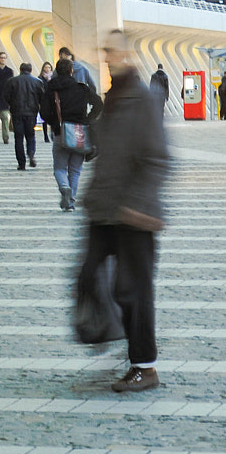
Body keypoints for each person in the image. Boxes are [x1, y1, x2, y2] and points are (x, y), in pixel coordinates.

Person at [77, 29, 170, 393]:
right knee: (87, 275)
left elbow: (158, 159)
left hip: (133, 213)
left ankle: (144, 367)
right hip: (103, 208)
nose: (107, 57)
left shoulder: (143, 100)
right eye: (105, 51)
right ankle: (107, 331)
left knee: (133, 291)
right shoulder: (112, 98)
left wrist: (138, 204)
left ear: (128, 55)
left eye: (112, 51)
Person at [44, 56, 101, 210]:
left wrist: (55, 123)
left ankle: (64, 188)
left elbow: (44, 112)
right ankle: (70, 201)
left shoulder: (51, 89)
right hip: (80, 132)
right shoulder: (82, 88)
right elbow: (98, 104)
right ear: (71, 71)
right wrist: (87, 119)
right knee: (75, 170)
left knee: (59, 168)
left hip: (61, 131)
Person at [5, 61, 43, 171]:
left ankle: (21, 163)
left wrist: (11, 104)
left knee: (19, 138)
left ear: (20, 69)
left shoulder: (12, 81)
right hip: (31, 112)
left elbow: (6, 96)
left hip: (17, 112)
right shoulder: (37, 82)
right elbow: (42, 96)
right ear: (30, 70)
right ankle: (31, 154)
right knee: (31, 136)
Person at [39, 62, 55, 142]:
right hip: (43, 100)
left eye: (49, 67)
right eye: (46, 67)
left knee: (53, 117)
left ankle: (52, 133)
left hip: (52, 100)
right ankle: (45, 135)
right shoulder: (40, 78)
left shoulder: (53, 77)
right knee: (44, 118)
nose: (47, 69)